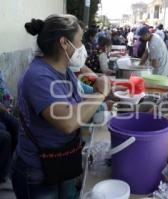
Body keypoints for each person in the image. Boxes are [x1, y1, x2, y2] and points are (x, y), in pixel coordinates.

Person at [11, 14, 111, 199]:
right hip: (37, 172)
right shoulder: (38, 77)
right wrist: (100, 94)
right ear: (64, 42)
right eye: (80, 40)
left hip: (60, 161)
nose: (83, 47)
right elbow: (67, 122)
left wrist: (101, 88)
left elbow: (80, 98)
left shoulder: (63, 70)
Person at [0, 71, 19, 188]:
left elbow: (4, 91)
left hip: (2, 112)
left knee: (16, 126)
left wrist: (7, 106)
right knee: (4, 136)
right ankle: (1, 175)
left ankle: (11, 166)